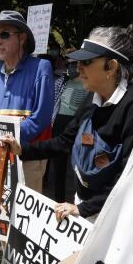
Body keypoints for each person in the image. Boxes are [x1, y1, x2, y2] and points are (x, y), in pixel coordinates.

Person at [0, 26, 133, 224]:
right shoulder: (93, 97)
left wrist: (82, 209)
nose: (78, 68)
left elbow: (132, 172)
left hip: (117, 212)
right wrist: (21, 150)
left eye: (86, 62)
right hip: (86, 204)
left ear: (112, 66)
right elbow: (65, 141)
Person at [0, 10, 54, 193]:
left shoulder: (41, 68)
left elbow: (42, 117)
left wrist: (10, 137)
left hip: (29, 156)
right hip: (0, 153)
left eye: (4, 34)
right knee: (1, 210)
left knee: (24, 218)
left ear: (22, 38)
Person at [44, 59, 88, 202]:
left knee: (80, 165)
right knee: (59, 165)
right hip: (60, 124)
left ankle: (80, 200)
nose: (75, 66)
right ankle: (59, 200)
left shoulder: (90, 83)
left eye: (78, 63)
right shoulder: (63, 81)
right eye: (71, 64)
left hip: (79, 126)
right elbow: (52, 98)